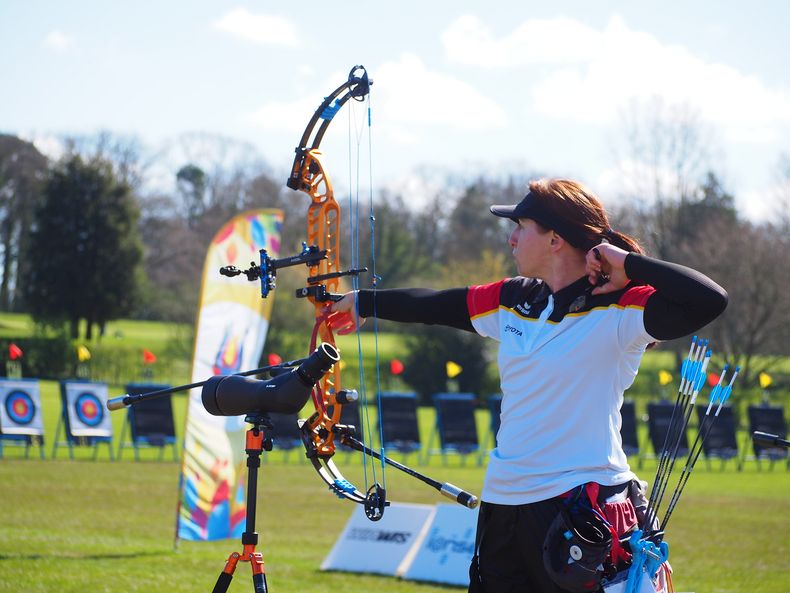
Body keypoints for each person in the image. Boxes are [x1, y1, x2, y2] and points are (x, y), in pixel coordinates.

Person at [328, 178, 727, 593]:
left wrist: (627, 262)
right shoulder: (513, 300)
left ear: (555, 239)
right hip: (504, 502)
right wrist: (363, 302)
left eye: (521, 227)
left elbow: (709, 299)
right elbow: (435, 304)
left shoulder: (622, 307)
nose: (511, 238)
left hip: (581, 505)